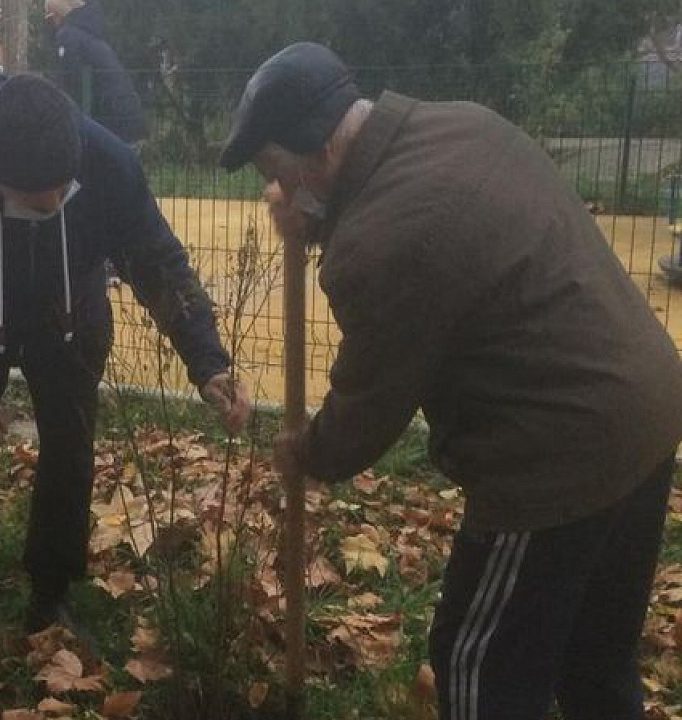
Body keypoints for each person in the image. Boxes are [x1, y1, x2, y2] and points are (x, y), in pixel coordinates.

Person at [220, 42, 682, 720]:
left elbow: (364, 416)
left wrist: (303, 452)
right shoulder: (463, 124)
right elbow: (428, 237)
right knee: (595, 659)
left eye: (277, 175)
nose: (277, 194)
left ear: (318, 155)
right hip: (647, 408)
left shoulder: (380, 244)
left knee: (475, 665)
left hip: (558, 456)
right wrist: (316, 216)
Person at [0, 73, 249, 679]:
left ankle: (51, 592)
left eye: (62, 190)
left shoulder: (107, 164)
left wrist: (207, 359)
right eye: (33, 197)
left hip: (70, 314)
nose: (53, 204)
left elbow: (154, 259)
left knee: (71, 446)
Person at [44, 0, 146, 147]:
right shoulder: (91, 35)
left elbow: (72, 85)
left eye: (49, 18)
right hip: (126, 118)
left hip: (108, 125)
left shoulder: (67, 36)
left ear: (56, 15)